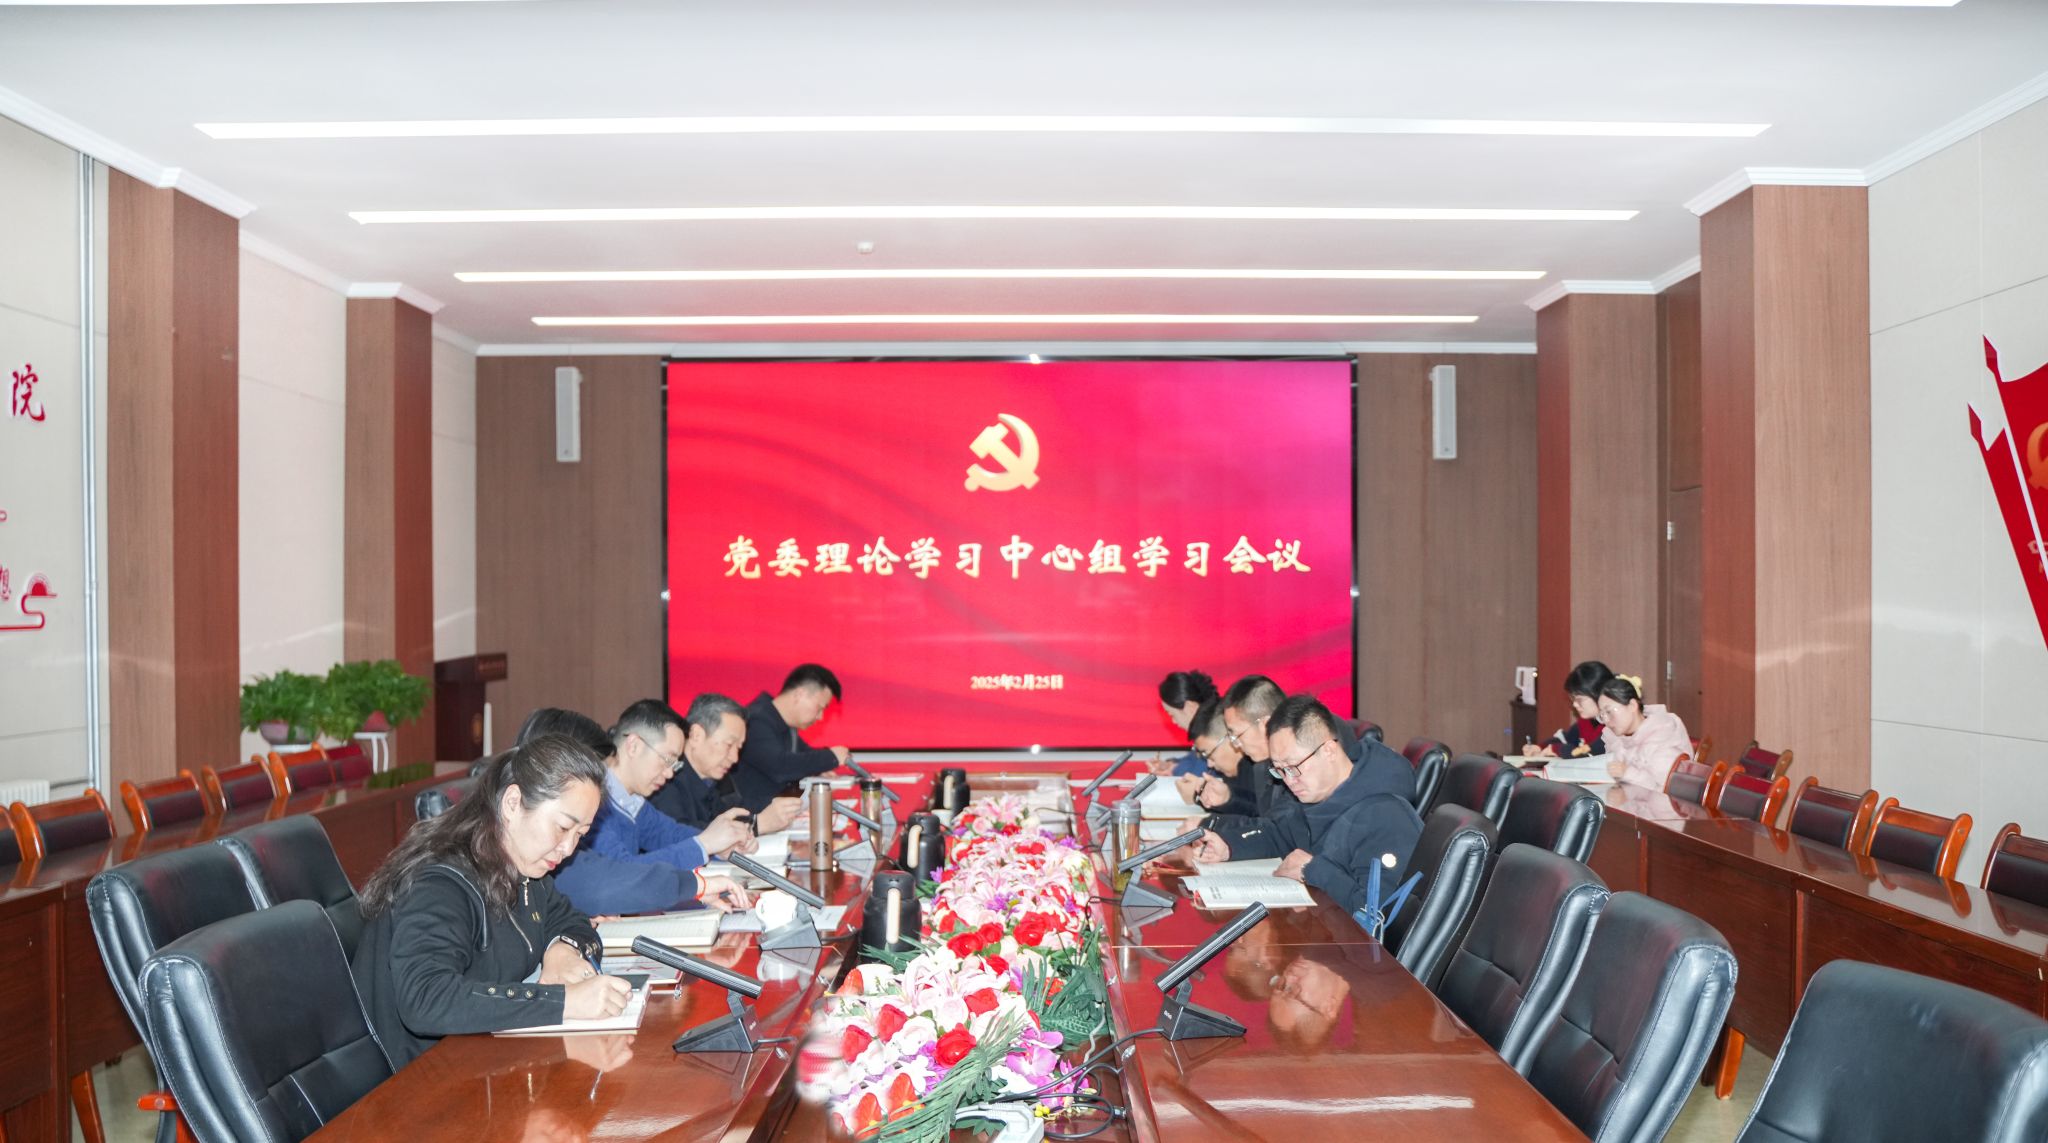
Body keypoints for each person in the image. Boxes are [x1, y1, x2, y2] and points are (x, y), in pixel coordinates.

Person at [353, 734, 631, 1068]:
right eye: (562, 827)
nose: (569, 848)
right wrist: (563, 1001)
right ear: (513, 803)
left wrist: (562, 953)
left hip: (484, 1058)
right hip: (423, 1079)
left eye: (580, 835)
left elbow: (572, 921)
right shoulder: (439, 884)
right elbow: (426, 999)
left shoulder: (525, 869)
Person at [1191, 695, 1424, 912]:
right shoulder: (1319, 794)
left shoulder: (1385, 815)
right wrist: (1228, 847)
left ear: (1329, 751)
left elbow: (1379, 914)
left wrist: (1311, 870)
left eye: (1293, 767)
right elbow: (1280, 834)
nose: (1289, 781)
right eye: (1280, 770)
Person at [552, 700, 754, 917]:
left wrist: (718, 844)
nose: (669, 773)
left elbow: (669, 834)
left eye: (675, 764)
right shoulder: (591, 806)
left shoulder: (632, 800)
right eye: (667, 759)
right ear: (634, 746)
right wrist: (705, 844)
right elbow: (625, 870)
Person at [649, 692, 801, 834]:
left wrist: (777, 806)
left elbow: (732, 812)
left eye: (738, 748)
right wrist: (756, 825)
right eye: (729, 745)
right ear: (696, 735)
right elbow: (678, 835)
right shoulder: (665, 778)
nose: (734, 758)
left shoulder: (711, 778)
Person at [732, 664, 849, 811]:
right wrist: (830, 757)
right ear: (799, 694)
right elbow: (780, 767)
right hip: (750, 816)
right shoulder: (757, 720)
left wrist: (820, 768)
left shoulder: (783, 723)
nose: (820, 717)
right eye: (820, 708)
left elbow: (804, 755)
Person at [1598, 674, 1692, 790]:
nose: (1606, 721)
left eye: (1609, 711)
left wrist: (1627, 773)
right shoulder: (1620, 737)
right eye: (1602, 715)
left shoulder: (1662, 734)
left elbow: (1665, 789)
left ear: (1632, 705)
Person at [1527, 660, 1614, 758]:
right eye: (1573, 699)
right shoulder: (1586, 722)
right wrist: (1539, 747)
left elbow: (1586, 754)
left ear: (1600, 695)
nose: (1575, 704)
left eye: (1580, 700)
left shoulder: (1614, 727)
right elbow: (1565, 739)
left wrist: (1556, 749)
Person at [1154, 670, 1220, 776]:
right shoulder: (1206, 725)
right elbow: (1193, 759)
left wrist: (1175, 770)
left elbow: (1200, 773)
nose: (1173, 721)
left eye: (1172, 714)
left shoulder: (1211, 732)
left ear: (1190, 707)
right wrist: (1171, 764)